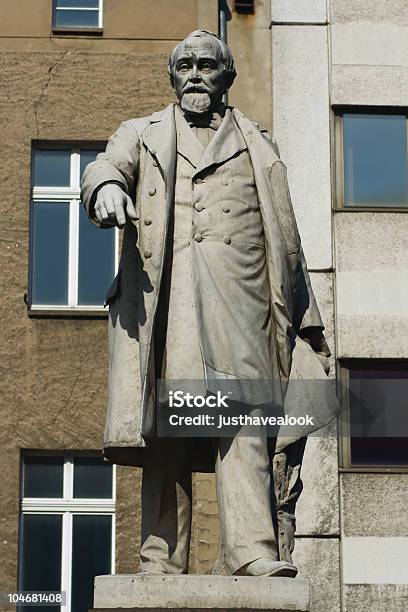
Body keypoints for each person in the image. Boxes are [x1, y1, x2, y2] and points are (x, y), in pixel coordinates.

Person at [81, 30, 331, 578]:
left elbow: (286, 240)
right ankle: (160, 561)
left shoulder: (259, 142)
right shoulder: (142, 133)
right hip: (166, 301)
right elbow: (104, 167)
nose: (195, 74)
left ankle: (252, 553)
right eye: (185, 66)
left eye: (207, 65)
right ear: (172, 77)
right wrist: (104, 190)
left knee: (243, 422)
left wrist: (307, 319)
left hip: (243, 306)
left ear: (227, 77)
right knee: (168, 426)